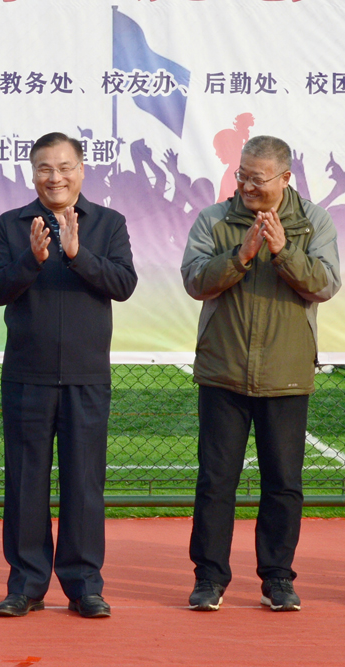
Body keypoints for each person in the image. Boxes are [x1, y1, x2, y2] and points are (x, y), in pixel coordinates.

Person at [181, 135, 340, 612]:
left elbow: (326, 284)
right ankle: (209, 579)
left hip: (286, 373)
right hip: (223, 371)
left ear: (285, 178)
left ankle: (278, 579)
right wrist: (241, 256)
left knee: (284, 483)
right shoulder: (215, 219)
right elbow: (195, 281)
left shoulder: (313, 221)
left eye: (258, 178)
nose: (247, 186)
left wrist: (284, 251)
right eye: (242, 175)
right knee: (215, 482)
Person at [0, 132, 137, 619]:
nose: (56, 177)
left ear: (82, 170)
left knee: (84, 484)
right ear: (33, 173)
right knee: (25, 484)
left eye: (65, 167)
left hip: (86, 376)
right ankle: (26, 585)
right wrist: (32, 259)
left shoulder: (108, 224)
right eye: (45, 168)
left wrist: (77, 254)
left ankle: (84, 586)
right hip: (26, 376)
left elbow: (123, 284)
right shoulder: (12, 225)